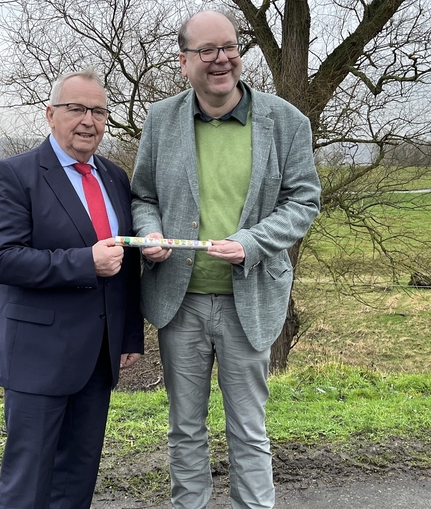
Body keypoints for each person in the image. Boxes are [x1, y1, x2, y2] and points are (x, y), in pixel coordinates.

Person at [130, 10, 322, 509]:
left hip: (249, 302)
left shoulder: (287, 122)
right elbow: (143, 195)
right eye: (207, 51)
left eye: (229, 47)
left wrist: (254, 244)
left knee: (249, 430)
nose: (221, 59)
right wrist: (149, 231)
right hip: (180, 303)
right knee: (185, 429)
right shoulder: (160, 119)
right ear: (183, 62)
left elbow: (303, 201)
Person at [0, 68, 144, 509]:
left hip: (97, 354)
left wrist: (129, 335)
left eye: (98, 111)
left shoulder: (115, 178)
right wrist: (84, 262)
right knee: (29, 481)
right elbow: (0, 259)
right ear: (50, 114)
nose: (87, 120)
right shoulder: (16, 174)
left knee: (77, 478)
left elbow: (124, 263)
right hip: (38, 354)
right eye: (76, 109)